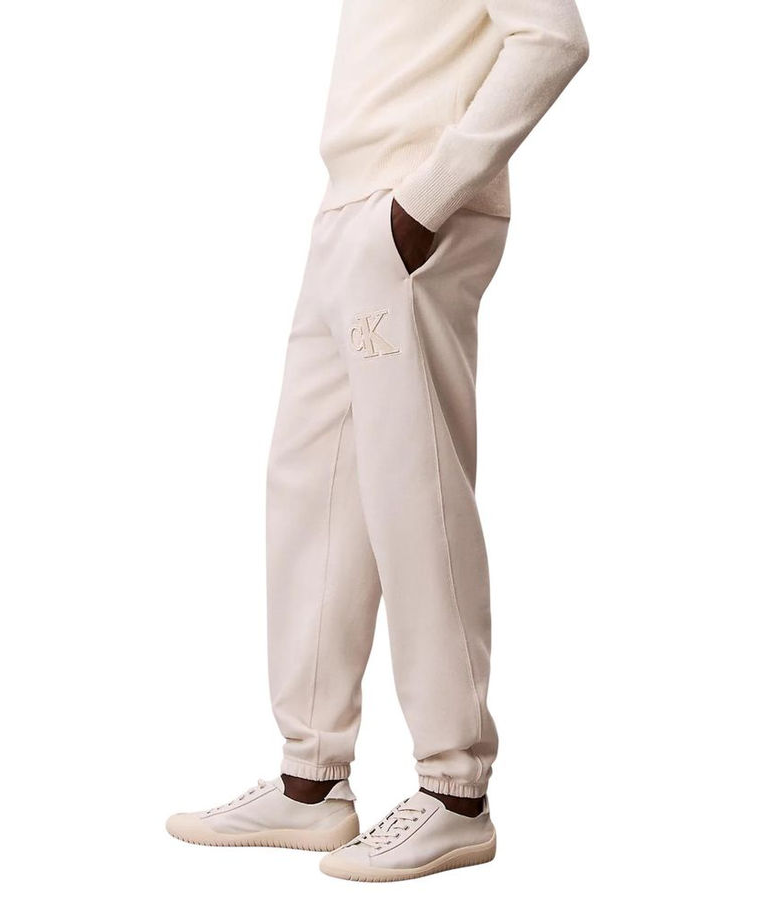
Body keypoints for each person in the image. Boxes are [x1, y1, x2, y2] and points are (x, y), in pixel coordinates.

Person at [167, 0, 588, 881]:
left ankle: (456, 792)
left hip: (413, 216)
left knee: (413, 491)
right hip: (350, 212)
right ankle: (310, 780)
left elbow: (553, 39)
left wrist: (423, 205)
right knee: (309, 491)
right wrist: (374, 217)